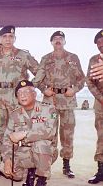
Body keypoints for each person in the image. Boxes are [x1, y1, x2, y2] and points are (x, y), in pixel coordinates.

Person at [0, 25, 39, 176]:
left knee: (20, 130)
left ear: (14, 38)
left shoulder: (23, 55)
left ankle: (23, 164)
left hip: (17, 99)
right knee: (0, 132)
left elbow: (39, 70)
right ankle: (4, 163)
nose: (7, 40)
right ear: (0, 39)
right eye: (4, 37)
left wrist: (31, 88)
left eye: (10, 37)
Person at [32, 31, 85, 179]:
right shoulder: (46, 59)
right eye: (55, 39)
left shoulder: (73, 58)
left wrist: (74, 89)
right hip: (50, 102)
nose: (58, 41)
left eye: (60, 38)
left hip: (68, 102)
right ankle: (46, 166)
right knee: (49, 134)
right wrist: (44, 90)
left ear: (64, 41)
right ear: (51, 42)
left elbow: (81, 79)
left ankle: (66, 165)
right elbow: (37, 80)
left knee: (67, 135)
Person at [0, 80, 58, 186]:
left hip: (45, 152)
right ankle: (30, 172)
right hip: (25, 152)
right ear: (17, 98)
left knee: (41, 145)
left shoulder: (49, 109)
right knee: (9, 171)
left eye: (26, 91)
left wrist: (24, 134)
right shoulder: (14, 114)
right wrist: (7, 159)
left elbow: (50, 132)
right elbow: (6, 139)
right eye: (19, 93)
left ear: (34, 94)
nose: (23, 95)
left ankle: (41, 180)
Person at [86, 29, 103, 184]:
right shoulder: (93, 60)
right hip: (101, 105)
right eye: (98, 43)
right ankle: (101, 171)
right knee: (102, 138)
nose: (101, 45)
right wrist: (101, 98)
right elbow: (89, 81)